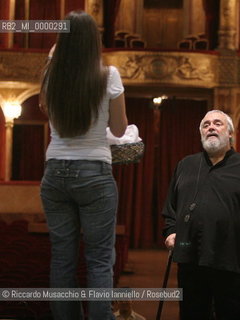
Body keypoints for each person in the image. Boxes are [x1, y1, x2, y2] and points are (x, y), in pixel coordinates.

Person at [39, 10, 128, 320]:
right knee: (100, 259)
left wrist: (53, 57)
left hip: (55, 171)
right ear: (94, 41)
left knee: (62, 258)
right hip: (94, 172)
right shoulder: (109, 75)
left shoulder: (51, 75)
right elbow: (118, 130)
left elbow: (45, 110)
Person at [162, 110, 240, 320]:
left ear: (230, 133)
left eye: (217, 123)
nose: (211, 127)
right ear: (201, 134)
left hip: (232, 260)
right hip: (190, 260)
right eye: (206, 125)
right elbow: (170, 208)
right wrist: (170, 232)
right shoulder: (186, 165)